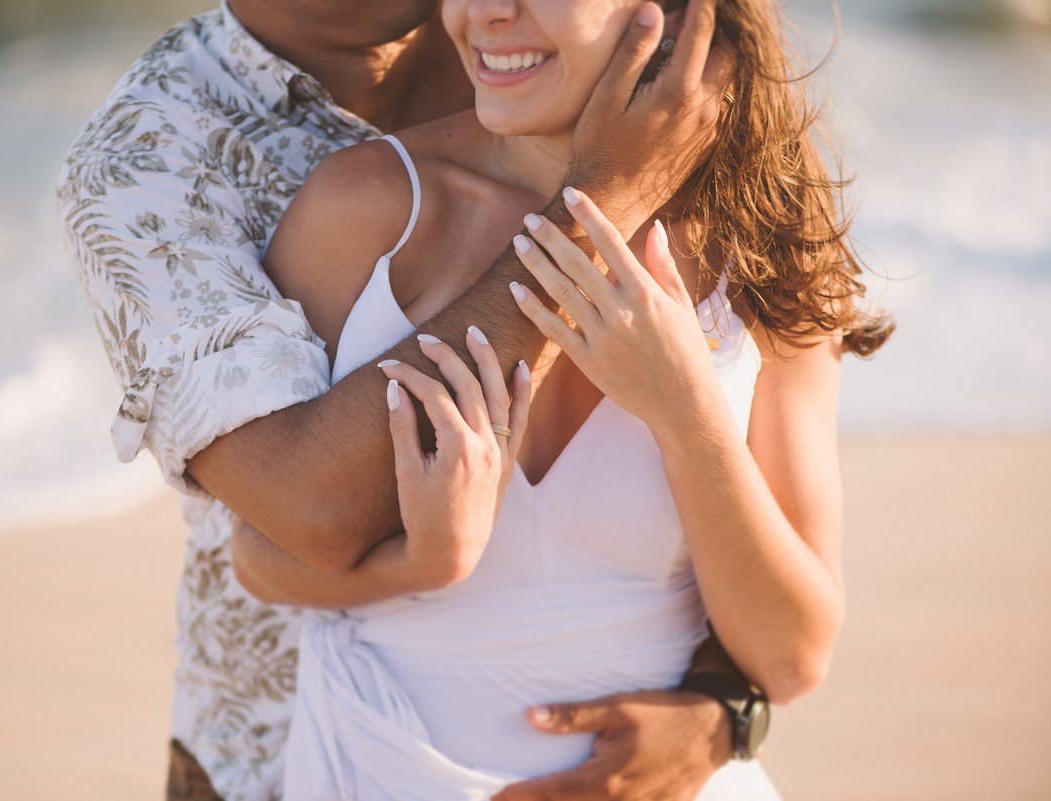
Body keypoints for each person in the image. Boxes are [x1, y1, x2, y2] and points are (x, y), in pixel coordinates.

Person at [55, 0, 758, 798]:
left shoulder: (531, 43)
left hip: (621, 746)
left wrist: (727, 706)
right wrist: (603, 202)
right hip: (279, 753)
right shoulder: (148, 155)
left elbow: (758, 457)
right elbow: (309, 507)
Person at [229, 0, 894, 797]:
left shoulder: (757, 227)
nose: (485, 12)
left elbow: (792, 655)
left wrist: (686, 411)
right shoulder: (367, 209)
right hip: (381, 767)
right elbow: (262, 555)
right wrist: (423, 562)